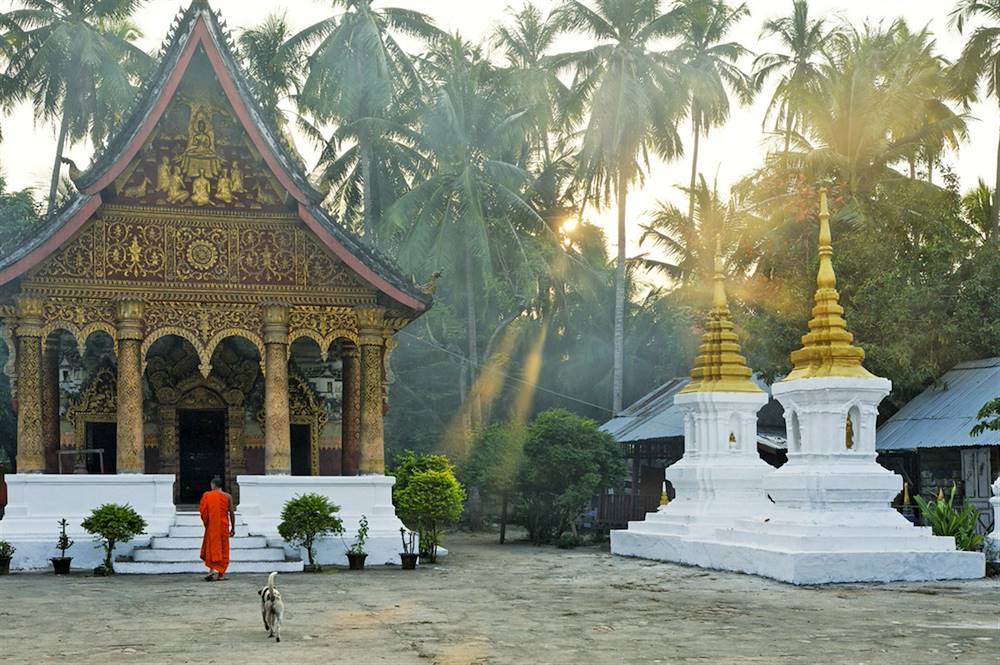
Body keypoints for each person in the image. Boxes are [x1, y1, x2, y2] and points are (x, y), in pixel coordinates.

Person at [199, 476, 235, 581]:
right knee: (223, 549)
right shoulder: (228, 496)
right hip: (224, 526)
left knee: (212, 548)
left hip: (212, 526)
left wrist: (207, 522)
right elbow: (231, 513)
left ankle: (211, 570)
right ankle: (220, 574)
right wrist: (233, 528)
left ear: (213, 485)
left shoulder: (207, 495)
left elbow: (203, 512)